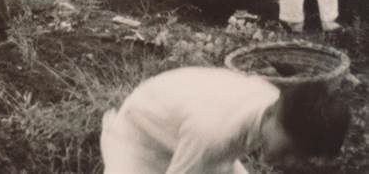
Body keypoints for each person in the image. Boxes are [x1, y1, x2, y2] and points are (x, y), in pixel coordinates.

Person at [100, 66, 350, 174]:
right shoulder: (214, 133)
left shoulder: (269, 101)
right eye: (288, 150)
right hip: (139, 141)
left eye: (298, 157)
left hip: (183, 135)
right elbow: (211, 141)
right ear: (275, 114)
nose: (288, 162)